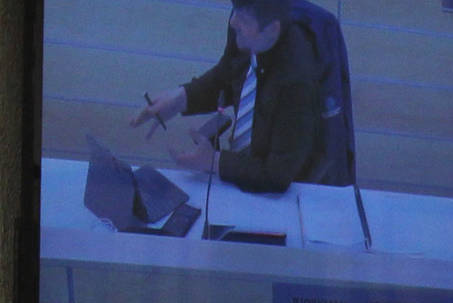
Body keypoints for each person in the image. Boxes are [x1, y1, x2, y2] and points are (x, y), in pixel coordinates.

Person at [130, 0, 322, 195]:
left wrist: (214, 161)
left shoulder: (298, 82)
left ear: (272, 30)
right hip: (241, 175)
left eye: (244, 19)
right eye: (235, 12)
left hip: (283, 194)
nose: (233, 22)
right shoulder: (242, 27)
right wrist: (181, 98)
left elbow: (276, 175)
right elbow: (227, 74)